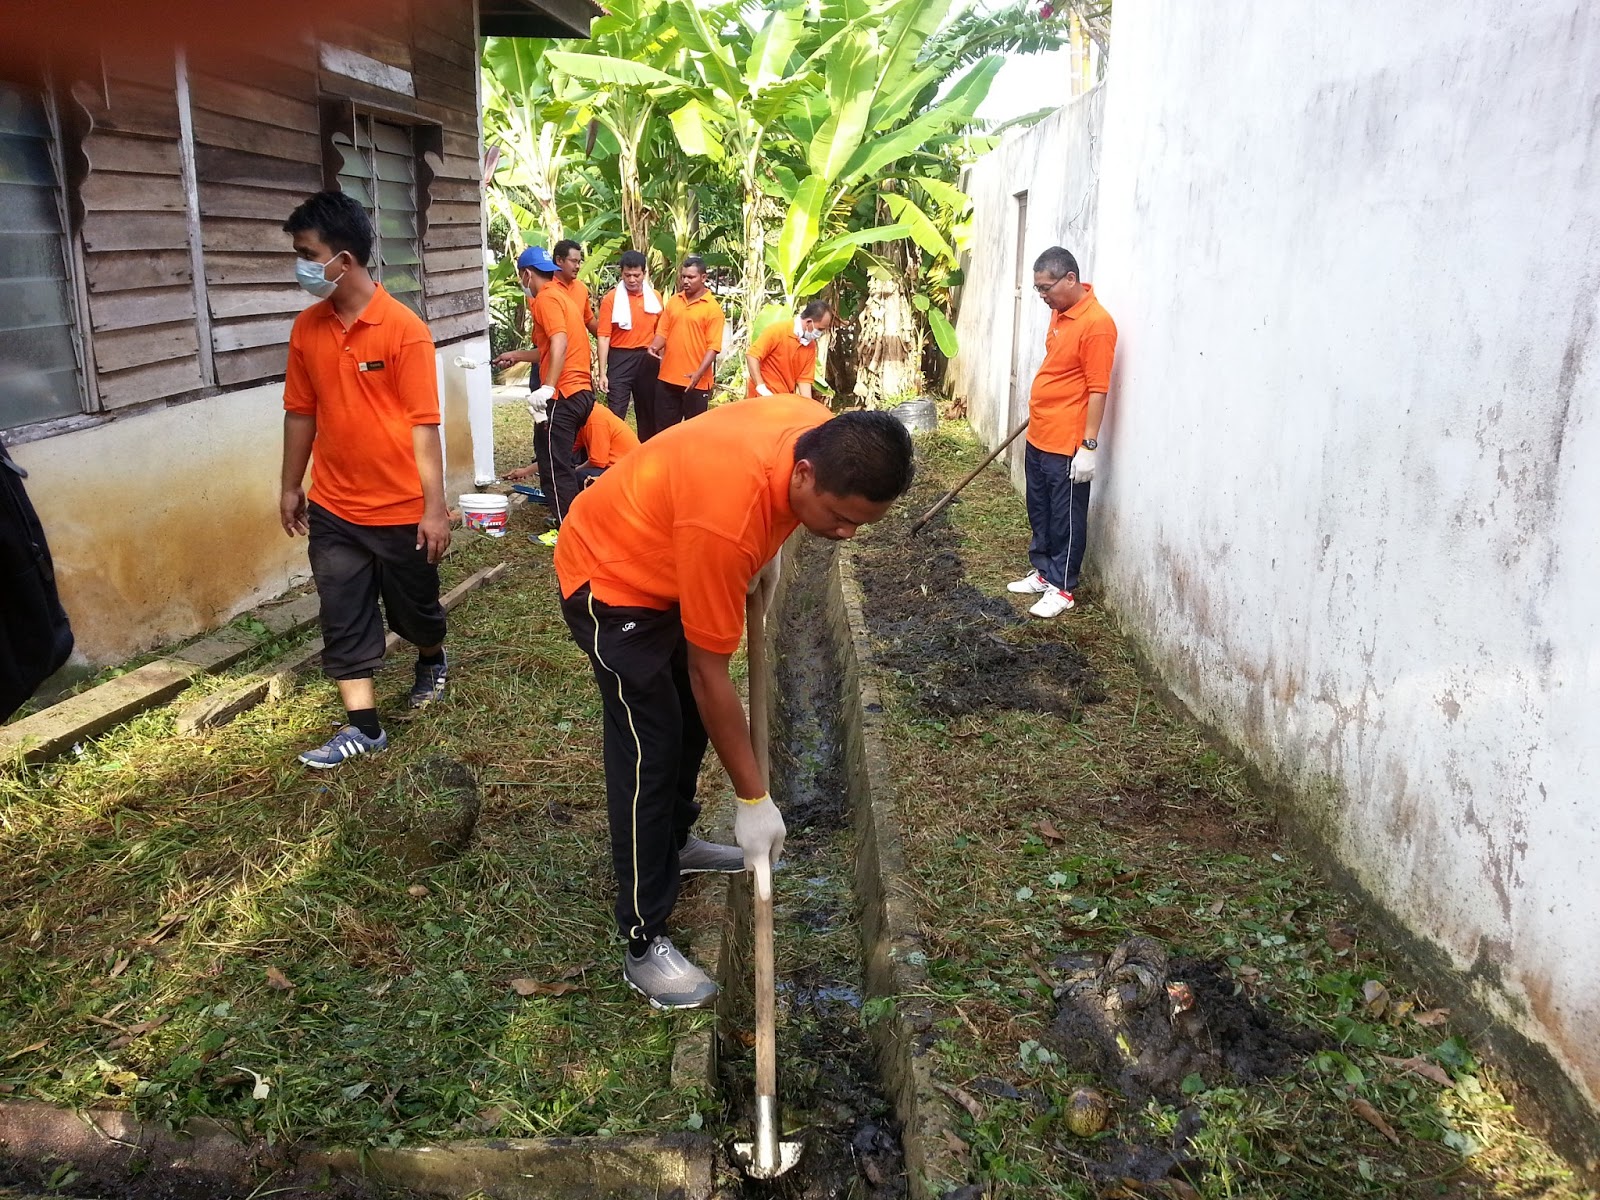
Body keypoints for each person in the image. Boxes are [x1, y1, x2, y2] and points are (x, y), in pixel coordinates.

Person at [554, 401, 914, 1008]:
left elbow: (755, 492)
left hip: (674, 552)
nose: (846, 534)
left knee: (691, 726)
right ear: (804, 475)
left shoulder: (814, 426)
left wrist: (766, 549)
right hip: (610, 576)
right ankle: (643, 938)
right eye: (839, 518)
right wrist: (752, 799)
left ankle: (675, 845)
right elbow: (709, 673)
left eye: (860, 524)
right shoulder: (725, 523)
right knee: (650, 748)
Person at [278, 191, 451, 768]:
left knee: (414, 612)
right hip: (334, 507)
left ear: (343, 260)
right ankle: (365, 727)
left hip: (400, 509)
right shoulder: (307, 328)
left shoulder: (404, 331)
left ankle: (431, 657)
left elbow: (424, 425)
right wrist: (291, 484)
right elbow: (300, 412)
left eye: (307, 254)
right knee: (342, 612)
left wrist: (434, 508)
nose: (300, 266)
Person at [1006, 246, 1117, 618]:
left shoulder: (1097, 324)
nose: (1042, 296)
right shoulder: (1059, 311)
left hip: (1067, 441)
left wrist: (1088, 446)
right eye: (1038, 288)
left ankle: (1063, 587)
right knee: (1039, 508)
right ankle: (1043, 571)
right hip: (1040, 433)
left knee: (1065, 516)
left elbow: (1098, 388)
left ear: (1070, 279)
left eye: (1046, 287)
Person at [495, 247, 596, 528]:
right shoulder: (561, 296)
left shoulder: (545, 299)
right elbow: (549, 349)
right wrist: (517, 355)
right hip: (579, 393)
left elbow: (559, 341)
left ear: (527, 274)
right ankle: (573, 523)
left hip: (564, 393)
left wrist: (547, 388)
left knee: (554, 466)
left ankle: (570, 531)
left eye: (521, 277)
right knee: (553, 458)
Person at [647, 256, 724, 432]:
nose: (686, 281)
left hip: (696, 382)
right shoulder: (674, 301)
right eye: (683, 277)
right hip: (667, 379)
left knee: (693, 434)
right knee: (664, 432)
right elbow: (663, 332)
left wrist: (698, 374)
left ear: (703, 278)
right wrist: (654, 346)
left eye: (691, 277)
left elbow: (713, 347)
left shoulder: (713, 309)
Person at [597, 250, 663, 433]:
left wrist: (662, 361)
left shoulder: (655, 298)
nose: (632, 280)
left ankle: (647, 448)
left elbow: (661, 333)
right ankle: (611, 448)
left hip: (648, 357)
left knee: (649, 412)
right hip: (620, 358)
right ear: (621, 273)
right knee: (616, 411)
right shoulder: (611, 299)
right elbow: (604, 336)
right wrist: (602, 373)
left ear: (644, 273)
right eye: (627, 275)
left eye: (636, 275)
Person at [745, 300, 833, 400]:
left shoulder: (810, 346)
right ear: (809, 322)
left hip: (783, 398)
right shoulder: (777, 331)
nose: (821, 333)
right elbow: (752, 356)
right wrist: (761, 387)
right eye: (820, 329)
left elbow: (804, 380)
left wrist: (808, 405)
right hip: (761, 397)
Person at [552, 238, 598, 336]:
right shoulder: (546, 289)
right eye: (573, 261)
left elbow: (589, 320)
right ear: (559, 260)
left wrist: (607, 340)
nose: (577, 266)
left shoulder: (581, 288)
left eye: (579, 262)